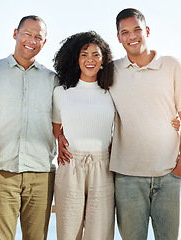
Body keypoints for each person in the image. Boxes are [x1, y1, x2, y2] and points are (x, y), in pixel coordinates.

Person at [110, 8, 181, 239]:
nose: (132, 36)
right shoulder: (111, 71)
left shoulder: (173, 66)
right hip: (127, 177)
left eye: (137, 29)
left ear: (147, 31)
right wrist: (62, 132)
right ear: (118, 38)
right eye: (124, 32)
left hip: (169, 176)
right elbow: (87, 100)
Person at [0, 15, 58, 240]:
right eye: (27, 33)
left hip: (41, 173)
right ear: (15, 33)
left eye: (38, 37)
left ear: (44, 43)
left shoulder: (53, 80)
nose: (32, 40)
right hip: (0, 171)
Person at [52, 31, 115, 240]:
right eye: (84, 54)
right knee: (68, 233)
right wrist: (59, 138)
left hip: (103, 167)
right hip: (70, 164)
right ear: (76, 58)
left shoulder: (111, 91)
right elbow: (56, 127)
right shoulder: (62, 92)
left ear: (103, 59)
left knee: (100, 234)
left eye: (96, 55)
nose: (90, 60)